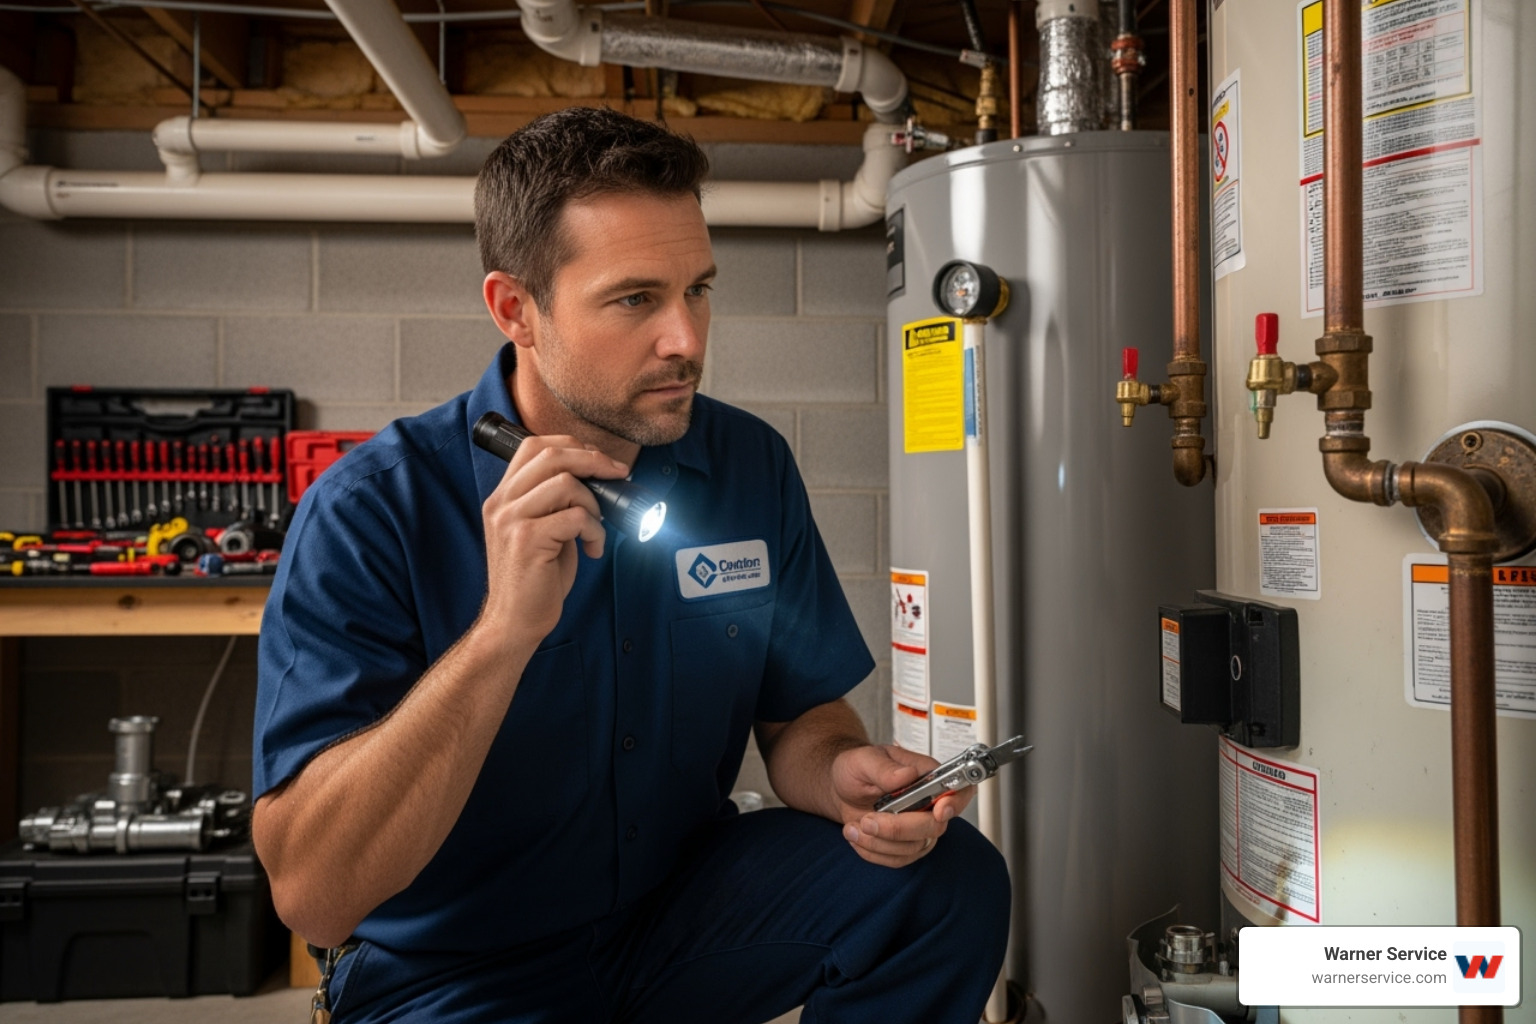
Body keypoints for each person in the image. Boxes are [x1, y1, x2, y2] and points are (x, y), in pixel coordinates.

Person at [251, 106, 1009, 1024]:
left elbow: (800, 718)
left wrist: (842, 771)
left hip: (679, 915)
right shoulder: (371, 509)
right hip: (454, 971)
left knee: (944, 884)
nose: (686, 339)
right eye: (635, 299)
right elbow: (313, 895)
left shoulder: (747, 466)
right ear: (515, 310)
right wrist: (502, 636)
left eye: (699, 290)